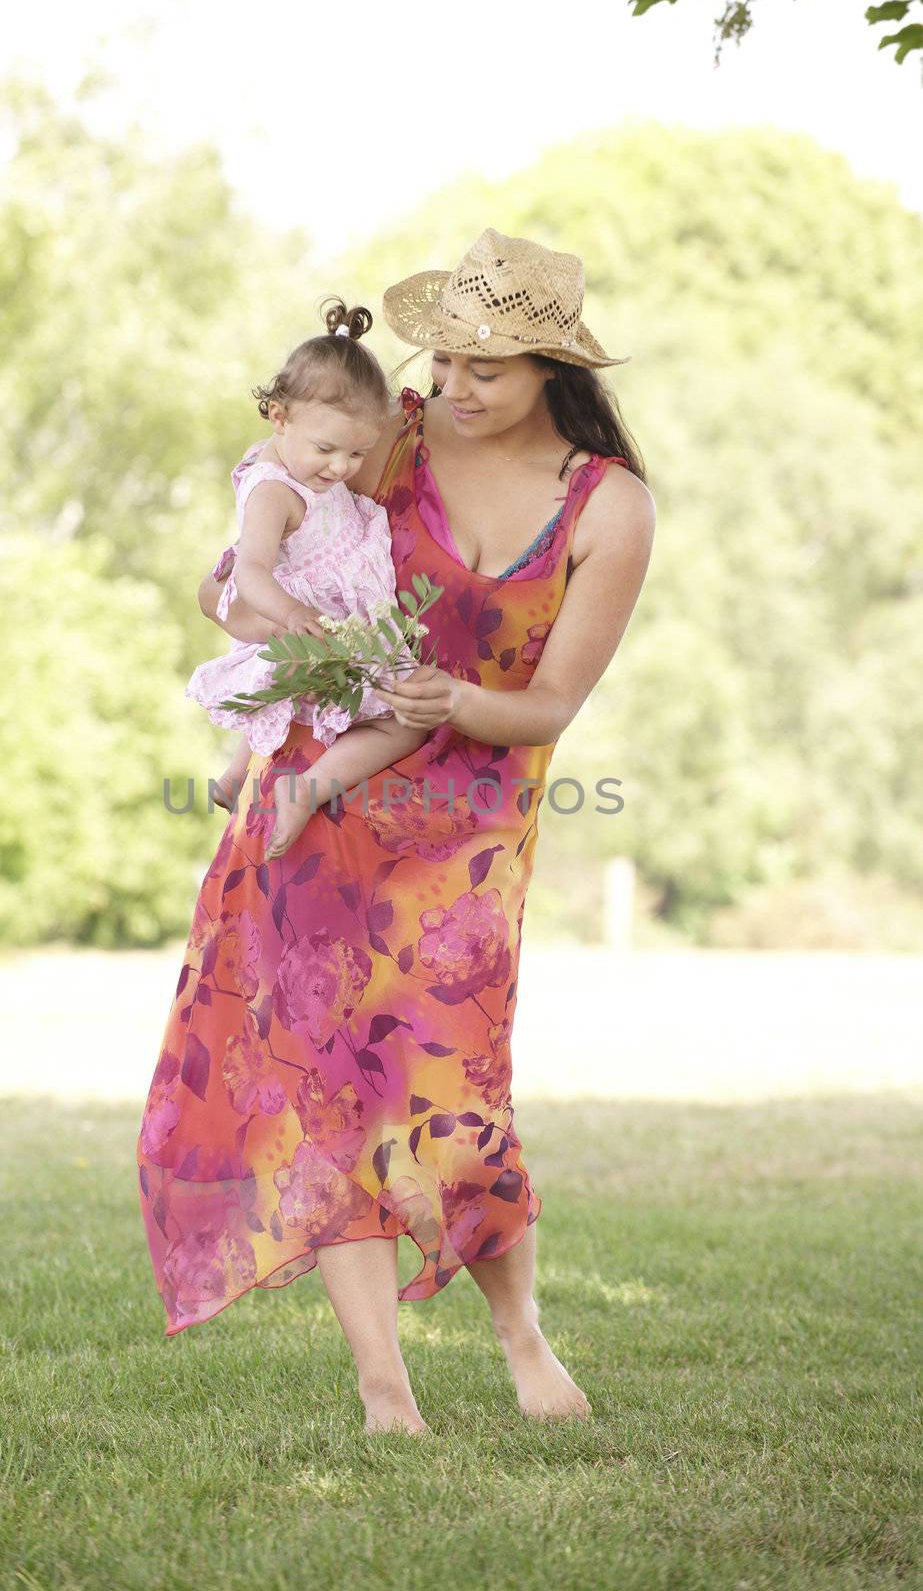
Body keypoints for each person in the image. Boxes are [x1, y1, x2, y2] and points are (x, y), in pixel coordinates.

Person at [137, 228, 656, 1436]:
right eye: (444, 359)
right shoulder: (393, 442)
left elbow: (550, 704)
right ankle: (385, 1391)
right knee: (326, 1089)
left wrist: (453, 702)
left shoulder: (606, 505)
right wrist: (235, 589)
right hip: (325, 799)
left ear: (549, 369)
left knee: (453, 1096)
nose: (451, 386)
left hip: (467, 829)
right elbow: (258, 542)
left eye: (485, 366)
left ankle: (521, 1337)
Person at [185, 298, 428, 860]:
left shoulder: (301, 464)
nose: (341, 469)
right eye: (326, 450)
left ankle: (233, 775)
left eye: (357, 453)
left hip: (332, 621)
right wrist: (293, 616)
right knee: (403, 721)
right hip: (310, 628)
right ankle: (307, 789)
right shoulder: (275, 490)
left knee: (333, 707)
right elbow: (248, 572)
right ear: (279, 417)